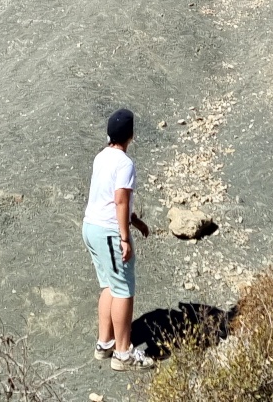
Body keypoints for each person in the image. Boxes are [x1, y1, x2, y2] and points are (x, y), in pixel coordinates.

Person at [83, 109, 154, 370]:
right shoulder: (125, 163)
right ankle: (123, 354)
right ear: (131, 135)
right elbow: (120, 199)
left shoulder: (101, 157)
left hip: (91, 227)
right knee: (124, 290)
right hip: (109, 232)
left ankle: (105, 343)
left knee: (109, 287)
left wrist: (136, 222)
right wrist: (125, 238)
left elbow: (106, 196)